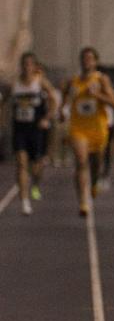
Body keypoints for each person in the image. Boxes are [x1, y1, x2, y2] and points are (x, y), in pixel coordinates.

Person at [62, 47, 114, 216]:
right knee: (80, 161)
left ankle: (94, 183)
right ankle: (83, 202)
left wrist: (98, 95)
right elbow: (63, 101)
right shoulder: (73, 81)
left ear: (95, 62)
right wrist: (60, 110)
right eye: (84, 58)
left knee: (95, 164)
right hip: (78, 128)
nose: (87, 61)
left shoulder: (101, 80)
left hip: (98, 129)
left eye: (90, 58)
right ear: (81, 61)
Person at [10, 52, 57, 215]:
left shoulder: (40, 82)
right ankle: (24, 201)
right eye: (24, 64)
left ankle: (35, 184)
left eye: (30, 64)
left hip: (36, 129)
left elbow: (54, 99)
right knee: (21, 164)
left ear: (34, 66)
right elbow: (4, 102)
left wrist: (47, 118)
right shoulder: (15, 84)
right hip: (20, 129)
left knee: (37, 166)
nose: (26, 67)